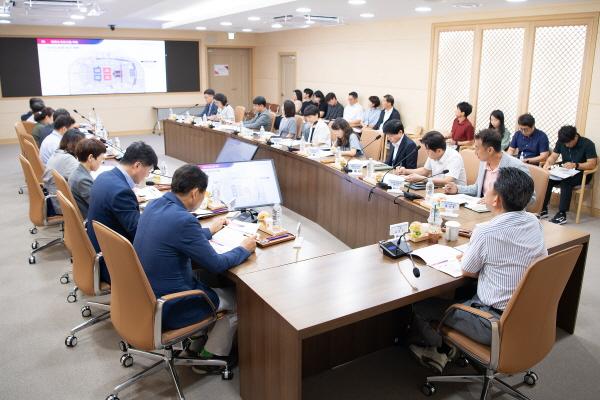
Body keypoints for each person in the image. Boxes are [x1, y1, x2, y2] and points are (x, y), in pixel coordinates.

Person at [409, 167, 547, 373]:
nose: (485, 190)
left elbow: (467, 271)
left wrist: (470, 256)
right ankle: (453, 347)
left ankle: (439, 351)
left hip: (491, 323)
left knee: (419, 305)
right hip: (527, 316)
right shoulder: (534, 222)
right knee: (466, 290)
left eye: (490, 187)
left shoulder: (486, 232)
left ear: (496, 200)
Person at [134, 164, 256, 360]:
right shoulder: (184, 220)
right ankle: (213, 355)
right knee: (241, 300)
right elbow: (215, 264)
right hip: (172, 305)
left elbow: (175, 234)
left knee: (207, 279)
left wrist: (209, 231)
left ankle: (196, 342)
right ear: (195, 193)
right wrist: (244, 248)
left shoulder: (154, 205)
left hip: (146, 296)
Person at [87, 141, 158, 283]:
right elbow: (139, 232)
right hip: (114, 263)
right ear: (137, 165)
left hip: (99, 251)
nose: (146, 176)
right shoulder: (121, 191)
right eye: (148, 171)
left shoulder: (104, 177)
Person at [444, 129, 534, 204]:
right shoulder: (484, 162)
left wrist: (497, 199)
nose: (475, 152)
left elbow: (530, 198)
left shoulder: (516, 166)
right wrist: (458, 189)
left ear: (490, 150)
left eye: (477, 148)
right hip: (482, 209)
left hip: (503, 215)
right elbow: (477, 189)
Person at [541, 125, 597, 224]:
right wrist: (547, 164)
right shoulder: (562, 141)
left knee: (566, 181)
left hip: (581, 172)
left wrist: (576, 165)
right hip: (565, 170)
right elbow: (553, 156)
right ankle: (543, 208)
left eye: (568, 143)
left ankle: (562, 214)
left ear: (575, 137)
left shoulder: (587, 144)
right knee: (547, 177)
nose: (566, 145)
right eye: (564, 143)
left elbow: (592, 164)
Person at [395, 130, 467, 186]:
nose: (426, 152)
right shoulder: (434, 153)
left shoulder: (454, 157)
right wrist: (405, 171)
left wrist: (423, 179)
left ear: (438, 151)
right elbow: (425, 171)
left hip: (455, 194)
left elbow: (447, 181)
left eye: (428, 150)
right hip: (437, 189)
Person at [42, 130, 85, 215]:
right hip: (61, 205)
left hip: (55, 200)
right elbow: (81, 181)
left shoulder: (58, 153)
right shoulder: (68, 159)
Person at [69, 138, 107, 219]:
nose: (101, 162)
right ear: (90, 158)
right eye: (101, 159)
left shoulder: (78, 171)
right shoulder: (83, 180)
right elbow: (99, 206)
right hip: (91, 220)